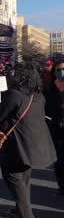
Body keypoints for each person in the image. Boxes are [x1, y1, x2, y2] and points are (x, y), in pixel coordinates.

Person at [0, 63, 56, 218]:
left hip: (16, 147)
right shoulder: (38, 96)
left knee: (14, 180)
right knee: (24, 181)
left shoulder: (14, 95)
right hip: (33, 147)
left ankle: (26, 213)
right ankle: (20, 211)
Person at [44, 60, 64, 195]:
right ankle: (62, 185)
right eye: (58, 69)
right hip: (56, 129)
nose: (61, 72)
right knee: (59, 160)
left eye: (63, 69)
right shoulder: (49, 88)